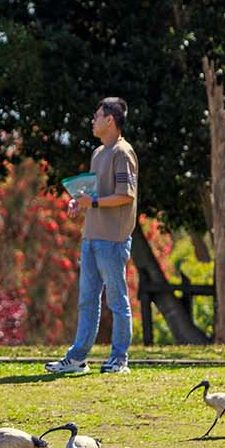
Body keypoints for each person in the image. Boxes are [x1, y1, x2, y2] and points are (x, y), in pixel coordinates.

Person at [46, 98, 138, 375]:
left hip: (113, 239)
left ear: (110, 120)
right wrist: (80, 203)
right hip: (91, 236)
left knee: (116, 300)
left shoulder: (123, 152)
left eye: (97, 116)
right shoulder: (98, 153)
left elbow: (125, 195)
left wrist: (93, 204)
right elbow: (96, 194)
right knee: (87, 300)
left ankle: (119, 358)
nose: (92, 120)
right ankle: (77, 359)